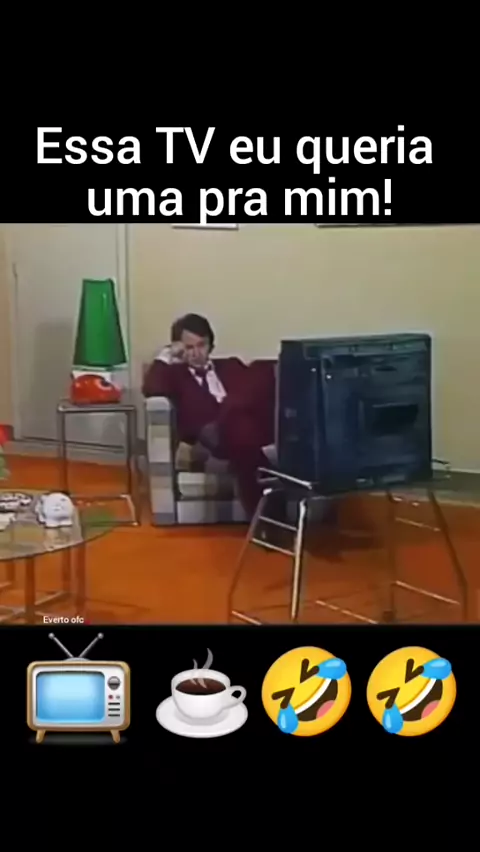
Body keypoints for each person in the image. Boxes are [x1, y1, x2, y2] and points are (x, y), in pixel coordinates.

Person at [142, 313, 279, 523]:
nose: (196, 353)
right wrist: (167, 354)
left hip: (244, 428)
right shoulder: (175, 376)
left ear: (210, 346)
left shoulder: (231, 366)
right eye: (189, 347)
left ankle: (265, 522)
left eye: (201, 345)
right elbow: (151, 388)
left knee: (259, 374)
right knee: (237, 420)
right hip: (211, 433)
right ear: (179, 348)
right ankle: (272, 515)